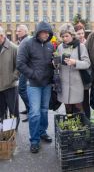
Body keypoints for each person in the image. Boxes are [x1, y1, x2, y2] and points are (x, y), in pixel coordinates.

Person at [17, 21, 54, 153]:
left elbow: (51, 64)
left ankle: (42, 132)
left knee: (44, 110)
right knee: (34, 113)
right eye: (43, 32)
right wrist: (33, 75)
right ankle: (34, 140)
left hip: (47, 84)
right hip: (33, 85)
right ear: (38, 32)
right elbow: (20, 64)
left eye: (47, 33)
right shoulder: (27, 43)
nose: (45, 35)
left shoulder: (50, 45)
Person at [57, 23, 90, 114]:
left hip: (77, 84)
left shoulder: (81, 47)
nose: (64, 39)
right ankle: (69, 126)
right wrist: (55, 63)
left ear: (72, 35)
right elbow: (58, 63)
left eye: (67, 36)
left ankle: (81, 126)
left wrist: (75, 62)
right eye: (62, 36)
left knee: (79, 108)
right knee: (67, 109)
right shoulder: (60, 47)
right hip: (64, 84)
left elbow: (87, 63)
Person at [0, 26, 19, 126]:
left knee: (13, 111)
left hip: (10, 86)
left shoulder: (14, 48)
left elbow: (19, 66)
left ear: (2, 36)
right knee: (1, 111)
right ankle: (3, 132)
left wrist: (13, 77)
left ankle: (12, 133)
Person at [74, 24, 91, 118]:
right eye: (78, 33)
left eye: (82, 33)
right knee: (76, 101)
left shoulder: (87, 44)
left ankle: (87, 120)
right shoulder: (73, 45)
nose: (81, 35)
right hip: (75, 77)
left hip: (85, 75)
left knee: (85, 101)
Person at [16, 24, 30, 122]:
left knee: (21, 89)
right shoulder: (23, 40)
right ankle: (28, 108)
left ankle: (30, 110)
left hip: (25, 68)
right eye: (17, 31)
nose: (17, 33)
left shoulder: (27, 40)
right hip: (23, 68)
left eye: (19, 31)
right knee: (23, 89)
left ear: (25, 31)